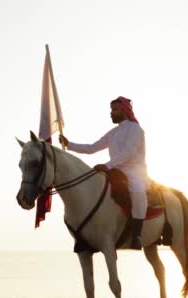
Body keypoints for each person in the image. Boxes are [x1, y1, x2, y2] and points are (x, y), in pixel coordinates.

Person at [59, 96, 149, 250]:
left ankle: (137, 235)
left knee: (138, 191)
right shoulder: (112, 133)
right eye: (111, 110)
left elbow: (128, 153)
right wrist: (69, 144)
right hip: (115, 170)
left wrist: (107, 165)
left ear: (125, 111)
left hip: (135, 172)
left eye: (115, 110)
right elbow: (91, 148)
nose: (111, 113)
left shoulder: (136, 130)